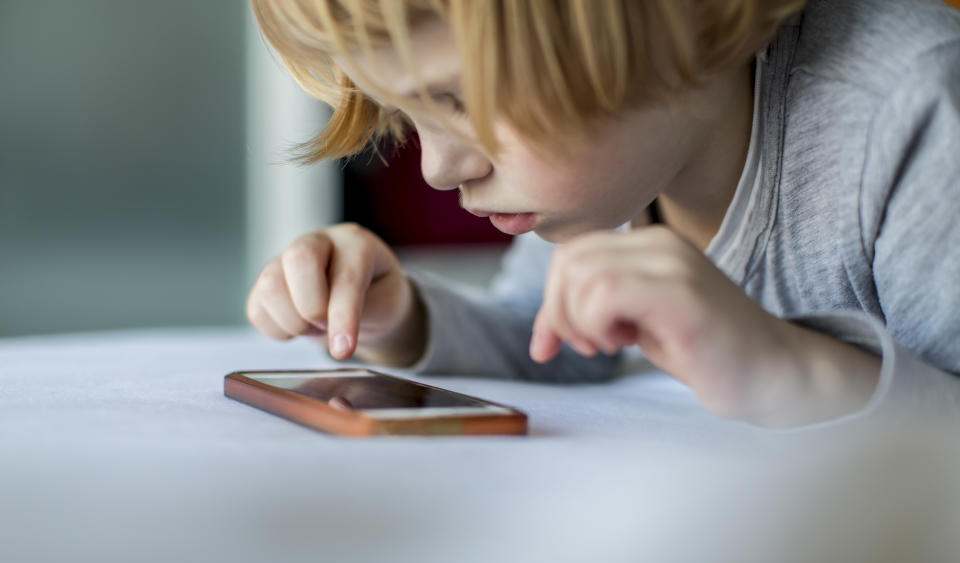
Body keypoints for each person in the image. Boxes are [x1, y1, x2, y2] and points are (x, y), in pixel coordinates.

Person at [244, 0, 960, 428]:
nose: (438, 168)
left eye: (467, 100)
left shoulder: (912, 111)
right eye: (406, 112)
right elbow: (545, 340)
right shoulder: (615, 176)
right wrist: (402, 322)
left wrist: (783, 367)